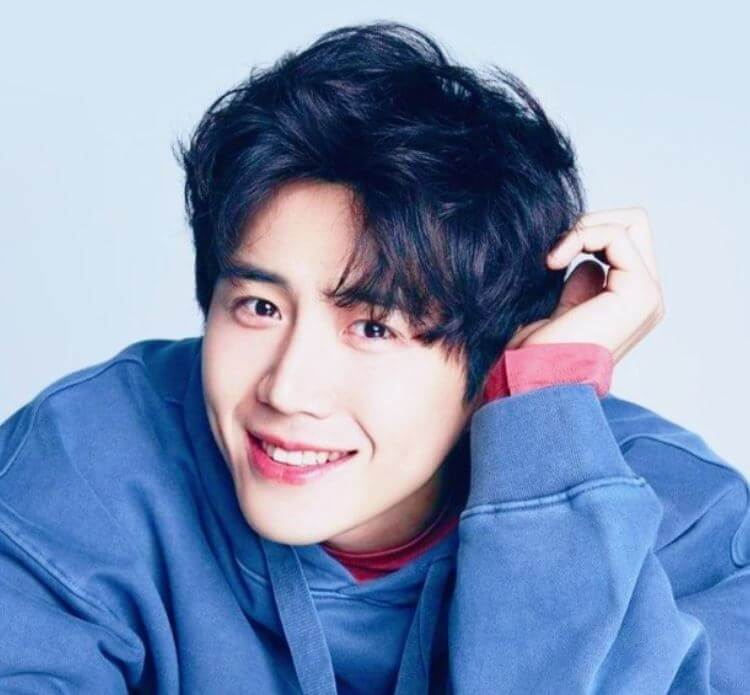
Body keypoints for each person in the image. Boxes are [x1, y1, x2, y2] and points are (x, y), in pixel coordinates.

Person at [0, 20, 747, 695]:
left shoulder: (681, 519)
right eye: (260, 307)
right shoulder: (89, 459)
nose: (288, 388)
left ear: (494, 346)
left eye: (373, 327)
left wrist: (545, 432)